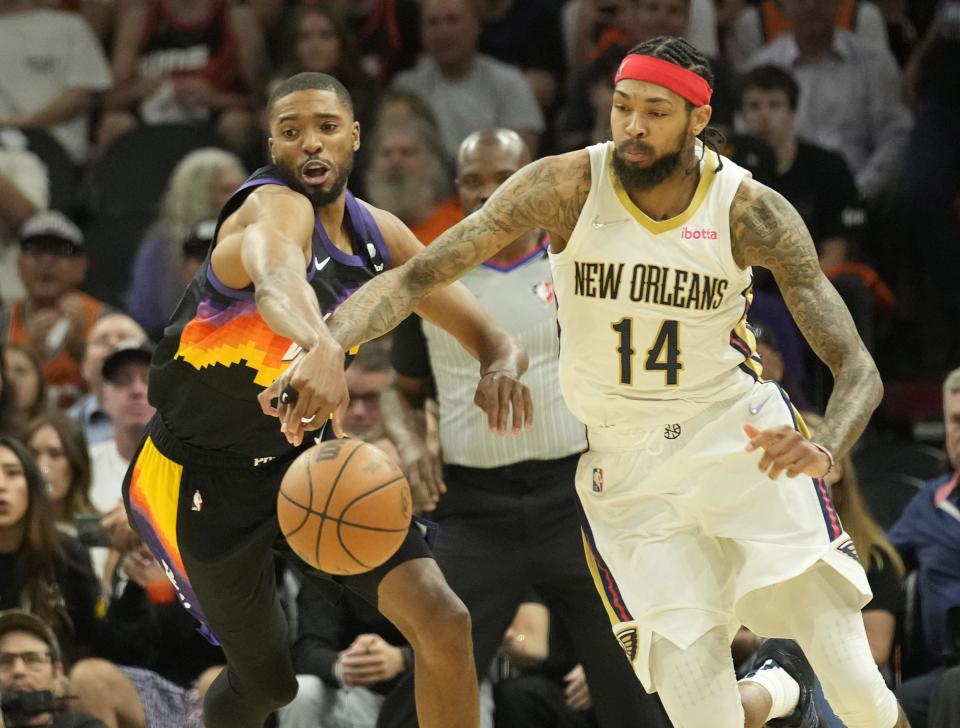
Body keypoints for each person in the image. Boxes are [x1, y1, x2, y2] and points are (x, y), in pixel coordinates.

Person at [295, 35, 914, 728]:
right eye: (622, 107)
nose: (633, 126)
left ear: (698, 121)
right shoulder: (567, 185)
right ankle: (776, 688)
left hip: (740, 444)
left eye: (655, 111)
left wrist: (826, 444)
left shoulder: (747, 209)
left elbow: (856, 366)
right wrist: (330, 342)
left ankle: (789, 682)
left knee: (859, 691)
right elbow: (417, 275)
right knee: (704, 721)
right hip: (628, 473)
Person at [121, 71, 534, 728]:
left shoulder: (380, 235)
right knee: (267, 685)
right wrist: (319, 343)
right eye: (291, 132)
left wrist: (499, 358)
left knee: (444, 622)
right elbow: (277, 276)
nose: (310, 144)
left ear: (354, 138)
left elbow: (479, 326)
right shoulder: (268, 208)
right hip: (199, 474)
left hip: (303, 459)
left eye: (326, 127)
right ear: (272, 144)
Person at [379, 127, 668, 728]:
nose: (488, 193)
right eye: (473, 181)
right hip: (472, 509)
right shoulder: (431, 278)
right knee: (428, 677)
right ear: (455, 190)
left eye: (502, 177)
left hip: (577, 500)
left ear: (532, 183)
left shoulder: (583, 266)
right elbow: (396, 392)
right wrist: (410, 444)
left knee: (634, 678)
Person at [889, 366, 960, 728]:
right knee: (884, 706)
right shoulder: (929, 502)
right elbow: (880, 563)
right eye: (956, 420)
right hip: (944, 667)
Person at [391, 0, 545, 158]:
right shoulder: (406, 88)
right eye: (433, 23)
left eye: (453, 20)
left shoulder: (510, 83)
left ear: (476, 26)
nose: (443, 32)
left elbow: (521, 156)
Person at [0, 437, 101, 666]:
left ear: (32, 485)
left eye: (13, 473)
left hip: (55, 685)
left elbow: (91, 642)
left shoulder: (67, 554)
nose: (1, 485)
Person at [127, 149, 246, 341]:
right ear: (197, 197)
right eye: (226, 190)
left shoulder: (261, 239)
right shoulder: (161, 248)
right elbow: (146, 316)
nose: (240, 197)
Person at [5, 212, 108, 409]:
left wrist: (81, 351)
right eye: (35, 251)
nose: (46, 261)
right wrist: (29, 358)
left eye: (61, 251)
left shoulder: (106, 321)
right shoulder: (3, 324)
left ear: (81, 267)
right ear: (19, 265)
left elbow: (129, 389)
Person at [0, 610, 106, 728]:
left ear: (57, 672)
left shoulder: (84, 725)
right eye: (4, 662)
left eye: (32, 659)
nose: (18, 670)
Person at [364, 119, 462, 245]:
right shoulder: (354, 230)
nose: (396, 161)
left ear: (432, 163)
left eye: (407, 152)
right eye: (386, 153)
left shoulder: (459, 226)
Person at [88, 343, 155, 514]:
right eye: (122, 381)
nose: (137, 390)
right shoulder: (85, 466)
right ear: (103, 397)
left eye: (148, 379)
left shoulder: (186, 471)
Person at [67, 314, 148, 448]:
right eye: (101, 341)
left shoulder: (172, 421)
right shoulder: (67, 425)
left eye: (124, 337)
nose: (113, 343)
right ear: (84, 366)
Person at [3, 344, 49, 438]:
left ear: (39, 382)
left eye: (20, 371)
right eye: (2, 371)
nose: (10, 379)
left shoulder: (53, 433)